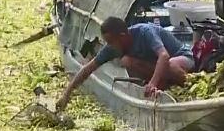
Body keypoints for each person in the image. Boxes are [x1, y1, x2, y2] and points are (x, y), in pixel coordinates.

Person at [56, 17, 195, 111]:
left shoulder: (145, 32)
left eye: (111, 41)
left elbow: (164, 56)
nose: (109, 46)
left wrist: (152, 83)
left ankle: (186, 83)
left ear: (122, 36)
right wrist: (66, 94)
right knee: (127, 61)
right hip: (157, 69)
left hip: (182, 59)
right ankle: (163, 85)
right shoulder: (113, 46)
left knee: (168, 64)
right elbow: (88, 69)